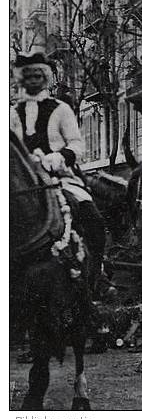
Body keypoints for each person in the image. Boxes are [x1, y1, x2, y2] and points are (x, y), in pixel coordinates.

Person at [10, 52, 107, 297]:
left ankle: (97, 277)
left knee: (92, 218)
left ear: (45, 78)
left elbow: (77, 144)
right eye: (28, 75)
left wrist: (58, 157)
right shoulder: (11, 113)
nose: (33, 80)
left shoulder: (61, 109)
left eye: (38, 75)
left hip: (60, 179)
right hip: (23, 182)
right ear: (22, 79)